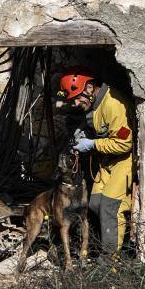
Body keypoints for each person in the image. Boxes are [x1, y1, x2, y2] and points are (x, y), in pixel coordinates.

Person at [59, 68, 134, 254]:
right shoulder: (95, 106)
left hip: (123, 162)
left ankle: (111, 261)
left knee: (110, 208)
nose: (76, 103)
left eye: (78, 98)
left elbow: (124, 144)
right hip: (107, 162)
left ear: (90, 88)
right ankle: (101, 247)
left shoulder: (114, 104)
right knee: (94, 204)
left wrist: (92, 145)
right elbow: (101, 129)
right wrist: (85, 133)